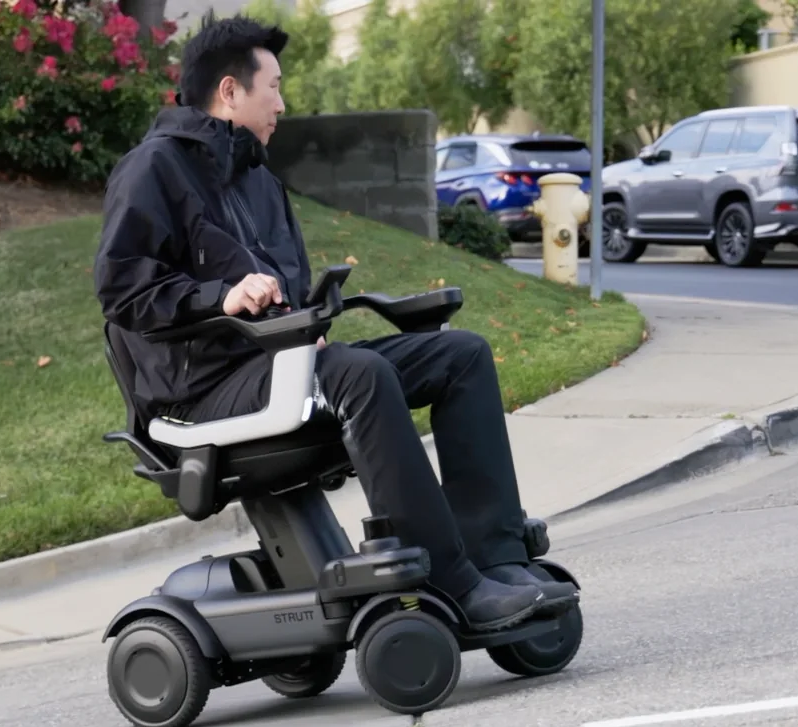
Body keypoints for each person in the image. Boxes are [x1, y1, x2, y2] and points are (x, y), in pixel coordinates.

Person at [91, 14, 577, 633]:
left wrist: (301, 320)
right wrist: (222, 297)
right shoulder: (153, 168)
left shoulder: (260, 180)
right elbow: (123, 289)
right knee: (359, 375)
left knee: (462, 355)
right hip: (199, 390)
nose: (282, 104)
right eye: (274, 87)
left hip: (275, 364)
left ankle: (498, 560)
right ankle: (451, 584)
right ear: (230, 91)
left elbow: (286, 290)